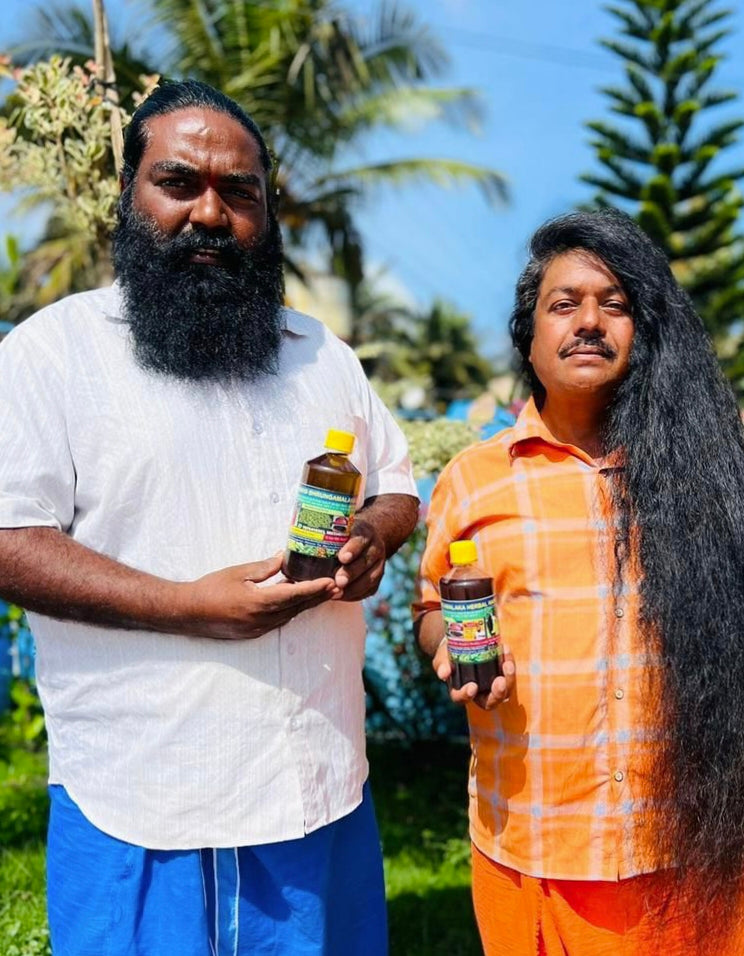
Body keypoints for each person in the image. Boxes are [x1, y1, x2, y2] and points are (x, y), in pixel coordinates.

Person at [0, 80, 419, 955]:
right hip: (147, 801)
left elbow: (395, 485)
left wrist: (374, 537)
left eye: (239, 193)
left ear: (267, 211)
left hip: (320, 793)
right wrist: (189, 607)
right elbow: (8, 540)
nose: (210, 214)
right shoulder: (53, 355)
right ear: (129, 196)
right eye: (179, 183)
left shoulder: (322, 357)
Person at [414, 210, 744, 955]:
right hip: (534, 852)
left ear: (645, 334)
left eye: (615, 305)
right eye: (564, 303)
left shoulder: (712, 476)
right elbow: (431, 609)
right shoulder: (473, 482)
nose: (589, 323)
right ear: (529, 333)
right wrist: (450, 641)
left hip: (695, 852)